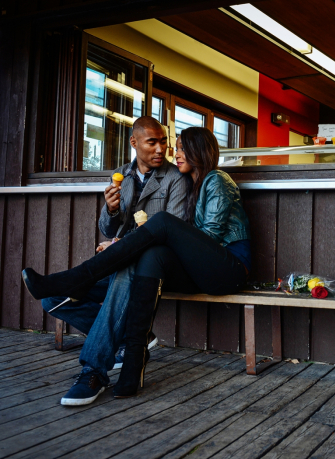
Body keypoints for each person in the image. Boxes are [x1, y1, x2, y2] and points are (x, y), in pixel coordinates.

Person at [23, 127, 251, 400]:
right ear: (134, 143)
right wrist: (113, 214)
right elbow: (111, 228)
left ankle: (77, 282)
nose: (172, 152)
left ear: (198, 150)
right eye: (173, 147)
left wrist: (128, 243)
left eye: (178, 147)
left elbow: (208, 238)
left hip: (228, 267)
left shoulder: (215, 180)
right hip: (192, 269)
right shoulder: (178, 182)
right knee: (148, 257)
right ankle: (133, 358)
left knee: (160, 225)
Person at [41, 115, 189, 405]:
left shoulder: (175, 179)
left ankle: (93, 370)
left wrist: (122, 245)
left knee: (124, 271)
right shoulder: (121, 175)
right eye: (152, 142)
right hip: (118, 261)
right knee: (53, 298)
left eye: (163, 142)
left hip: (151, 268)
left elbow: (173, 230)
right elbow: (107, 229)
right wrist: (109, 210)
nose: (160, 149)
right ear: (134, 143)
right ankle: (130, 338)